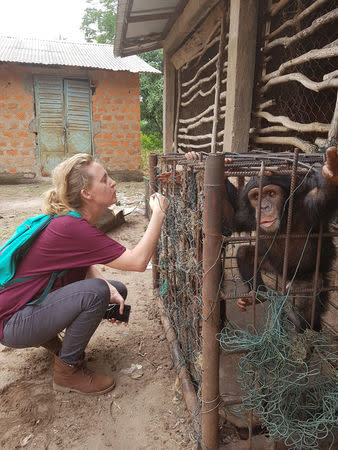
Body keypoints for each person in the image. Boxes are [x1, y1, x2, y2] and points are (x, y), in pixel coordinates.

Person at [0, 153, 168, 395]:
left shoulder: (71, 221)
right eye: (104, 179)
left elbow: (84, 266)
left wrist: (109, 292)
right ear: (86, 194)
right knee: (97, 292)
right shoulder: (71, 227)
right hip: (12, 323)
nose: (113, 183)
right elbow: (139, 262)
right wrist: (159, 213)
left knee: (115, 290)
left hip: (24, 309)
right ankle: (67, 372)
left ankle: (55, 344)